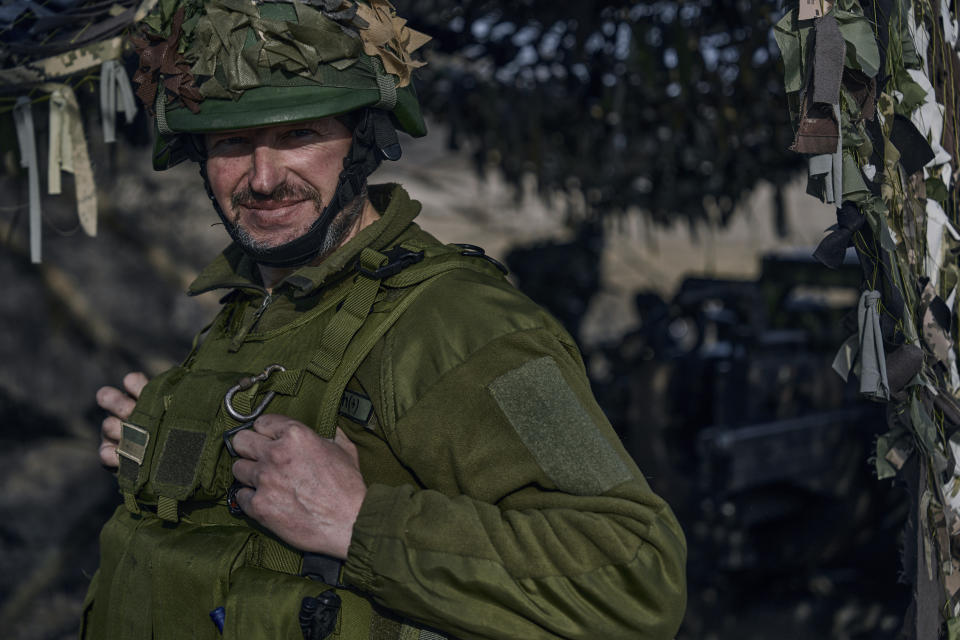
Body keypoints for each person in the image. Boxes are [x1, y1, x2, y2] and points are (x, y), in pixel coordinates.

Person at [84, 1, 687, 638]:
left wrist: (360, 519)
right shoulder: (253, 306)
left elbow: (636, 578)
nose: (262, 178)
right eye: (232, 143)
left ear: (364, 141)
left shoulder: (460, 323)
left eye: (299, 134)